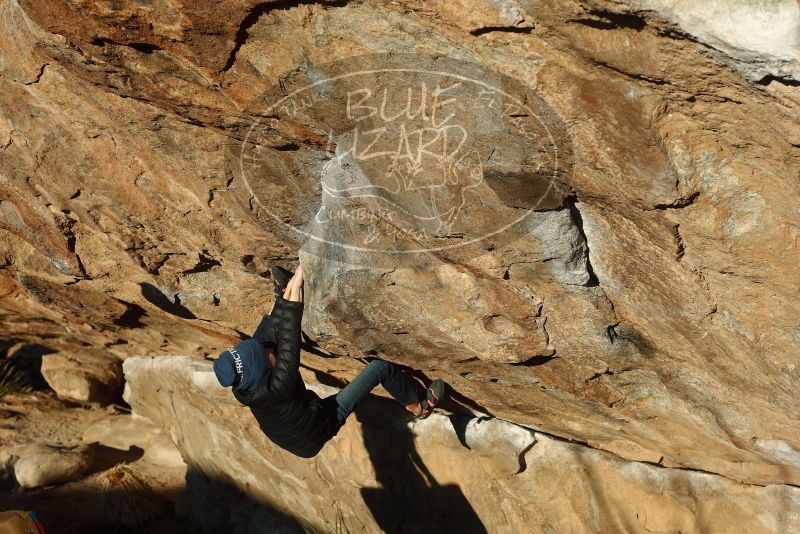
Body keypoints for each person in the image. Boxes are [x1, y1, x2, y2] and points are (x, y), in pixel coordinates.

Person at [212, 263, 447, 458]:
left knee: (266, 341)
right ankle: (418, 406)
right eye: (265, 355)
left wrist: (285, 296)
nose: (264, 349)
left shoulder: (246, 380)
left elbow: (265, 339)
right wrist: (301, 275)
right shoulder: (279, 386)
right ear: (264, 371)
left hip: (292, 418)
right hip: (314, 431)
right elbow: (290, 335)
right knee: (380, 368)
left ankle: (283, 295)